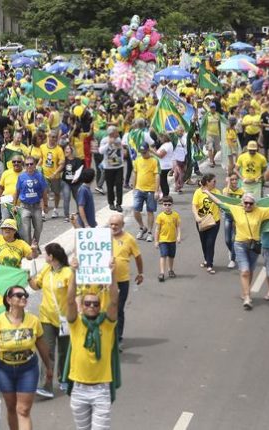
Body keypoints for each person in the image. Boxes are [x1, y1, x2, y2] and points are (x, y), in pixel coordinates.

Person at [202, 190, 269, 310]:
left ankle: (245, 292)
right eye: (246, 203)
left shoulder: (260, 211)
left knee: (251, 270)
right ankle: (247, 297)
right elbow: (220, 202)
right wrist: (208, 193)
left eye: (250, 203)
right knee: (245, 271)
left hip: (254, 246)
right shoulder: (236, 209)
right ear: (242, 203)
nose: (248, 205)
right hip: (240, 244)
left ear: (254, 204)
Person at [0, 285, 53, 430]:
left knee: (23, 410)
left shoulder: (33, 321)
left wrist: (49, 367)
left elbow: (42, 346)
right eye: (19, 295)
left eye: (25, 295)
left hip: (28, 369)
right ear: (9, 300)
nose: (23, 297)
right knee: (11, 407)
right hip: (4, 370)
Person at [64, 261, 120, 430]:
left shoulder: (107, 324)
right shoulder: (76, 323)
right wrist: (73, 274)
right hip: (79, 390)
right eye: (87, 303)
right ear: (82, 306)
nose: (91, 306)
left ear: (99, 306)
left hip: (101, 390)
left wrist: (112, 274)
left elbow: (114, 301)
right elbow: (69, 301)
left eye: (95, 304)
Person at [28, 243, 73, 398]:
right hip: (46, 318)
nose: (44, 256)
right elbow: (36, 286)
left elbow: (76, 294)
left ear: (51, 256)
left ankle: (65, 379)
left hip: (65, 320)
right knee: (47, 353)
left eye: (46, 254)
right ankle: (45, 386)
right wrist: (28, 278)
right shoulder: (46, 270)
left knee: (64, 351)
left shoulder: (69, 273)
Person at [106, 214, 143, 347]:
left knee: (119, 308)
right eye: (111, 224)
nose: (114, 227)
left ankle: (118, 338)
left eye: (117, 224)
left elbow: (138, 257)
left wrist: (140, 273)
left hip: (122, 280)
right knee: (106, 308)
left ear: (122, 225)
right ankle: (107, 336)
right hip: (105, 281)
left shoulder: (129, 239)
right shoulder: (103, 238)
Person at [13, 156, 49, 246]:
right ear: (25, 165)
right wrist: (14, 205)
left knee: (39, 228)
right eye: (27, 164)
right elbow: (17, 191)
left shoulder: (39, 176)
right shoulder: (21, 177)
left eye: (31, 164)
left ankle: (35, 245)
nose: (29, 166)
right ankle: (29, 249)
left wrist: (45, 205)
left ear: (35, 165)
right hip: (25, 207)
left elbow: (44, 191)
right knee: (26, 230)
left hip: (36, 207)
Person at [193, 173, 222, 274]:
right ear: (208, 182)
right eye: (213, 181)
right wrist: (196, 216)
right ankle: (206, 259)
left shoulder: (217, 192)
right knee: (204, 242)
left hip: (214, 222)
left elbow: (219, 202)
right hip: (202, 221)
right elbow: (194, 205)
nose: (215, 183)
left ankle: (210, 264)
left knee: (210, 243)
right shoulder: (198, 192)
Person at [132, 143, 160, 242]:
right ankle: (142, 227)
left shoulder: (154, 161)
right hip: (139, 189)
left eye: (144, 152)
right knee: (135, 210)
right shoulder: (137, 160)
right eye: (141, 152)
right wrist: (134, 187)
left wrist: (156, 190)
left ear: (149, 150)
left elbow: (157, 176)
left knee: (150, 211)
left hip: (151, 190)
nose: (143, 154)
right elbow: (135, 173)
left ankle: (149, 232)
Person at [153, 196, 181, 282]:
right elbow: (157, 229)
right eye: (165, 204)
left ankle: (170, 270)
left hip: (172, 240)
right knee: (163, 255)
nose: (167, 206)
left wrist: (179, 236)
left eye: (169, 204)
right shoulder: (160, 216)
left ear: (172, 205)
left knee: (171, 256)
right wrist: (156, 241)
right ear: (162, 205)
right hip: (163, 240)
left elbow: (178, 227)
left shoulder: (176, 215)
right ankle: (162, 272)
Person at [99, 126, 125, 212]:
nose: (118, 133)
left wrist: (122, 160)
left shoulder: (119, 140)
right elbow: (101, 151)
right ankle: (111, 203)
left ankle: (119, 204)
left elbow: (121, 151)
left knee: (119, 185)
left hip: (118, 166)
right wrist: (108, 144)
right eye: (116, 132)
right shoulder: (105, 140)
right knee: (109, 186)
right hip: (108, 167)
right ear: (112, 133)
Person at [40, 130, 66, 219]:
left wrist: (55, 173)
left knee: (56, 193)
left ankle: (55, 209)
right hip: (45, 175)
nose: (53, 139)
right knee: (44, 193)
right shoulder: (42, 147)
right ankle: (43, 211)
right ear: (48, 137)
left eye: (55, 137)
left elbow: (62, 163)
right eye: (52, 137)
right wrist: (36, 167)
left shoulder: (59, 149)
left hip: (55, 176)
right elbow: (41, 158)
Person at [222, 174, 244, 269]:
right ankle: (232, 251)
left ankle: (232, 259)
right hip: (228, 216)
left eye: (235, 179)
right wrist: (228, 185)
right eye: (232, 180)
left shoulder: (242, 191)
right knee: (227, 240)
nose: (234, 181)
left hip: (238, 217)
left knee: (234, 239)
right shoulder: (225, 190)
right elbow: (225, 198)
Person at [61, 144, 84, 221]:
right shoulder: (63, 160)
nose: (66, 150)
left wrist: (77, 178)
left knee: (77, 198)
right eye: (65, 149)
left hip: (76, 182)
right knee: (66, 197)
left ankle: (80, 213)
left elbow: (79, 171)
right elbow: (60, 168)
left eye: (68, 149)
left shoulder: (78, 160)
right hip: (66, 182)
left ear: (72, 150)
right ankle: (66, 216)